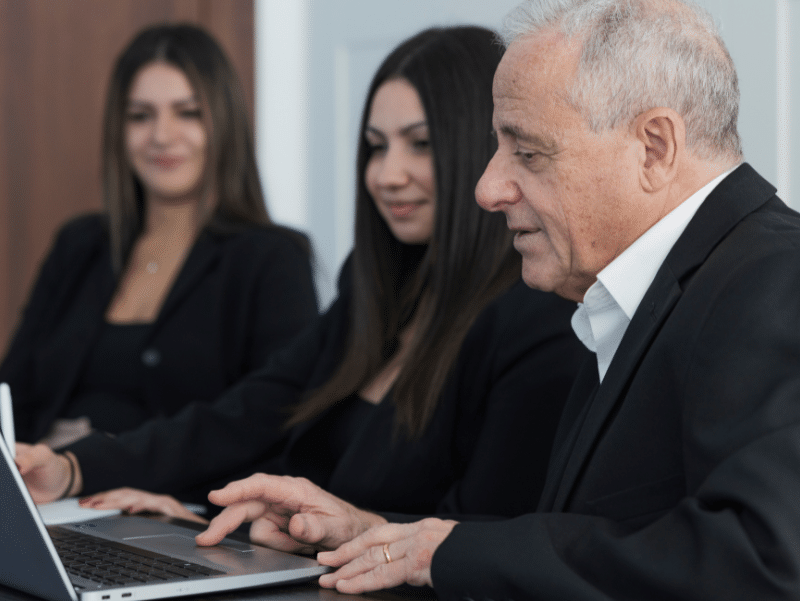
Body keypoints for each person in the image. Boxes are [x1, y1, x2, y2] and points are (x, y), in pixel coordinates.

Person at [186, 0, 800, 600]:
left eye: (527, 152)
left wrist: (444, 551)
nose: (487, 188)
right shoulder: (634, 298)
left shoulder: (776, 281)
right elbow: (593, 537)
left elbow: (762, 564)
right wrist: (383, 535)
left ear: (652, 148)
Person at [17, 26, 585, 524]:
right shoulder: (377, 291)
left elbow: (478, 537)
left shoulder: (538, 318)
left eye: (420, 145)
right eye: (375, 147)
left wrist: (296, 530)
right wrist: (76, 471)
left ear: (480, 149)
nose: (388, 174)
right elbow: (246, 413)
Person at [0, 24, 318, 450]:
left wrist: (98, 457)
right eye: (140, 116)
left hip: (177, 509)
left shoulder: (273, 259)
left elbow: (273, 427)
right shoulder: (79, 245)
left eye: (188, 113)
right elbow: (12, 392)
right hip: (45, 503)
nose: (161, 136)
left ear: (223, 123)